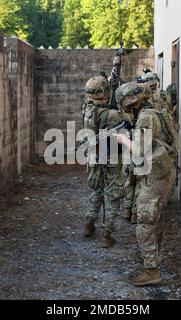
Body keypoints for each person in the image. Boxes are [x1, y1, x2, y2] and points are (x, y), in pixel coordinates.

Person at [114, 82, 177, 286]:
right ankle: (150, 256)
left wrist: (123, 140)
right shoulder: (156, 110)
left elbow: (140, 150)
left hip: (156, 175)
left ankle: (151, 270)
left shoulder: (145, 116)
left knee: (145, 220)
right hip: (162, 171)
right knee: (153, 218)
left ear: (131, 101)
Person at [82, 76, 126, 248]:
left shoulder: (87, 108)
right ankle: (106, 234)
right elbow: (127, 120)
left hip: (94, 155)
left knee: (98, 191)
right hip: (111, 156)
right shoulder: (111, 114)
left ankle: (88, 224)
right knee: (112, 196)